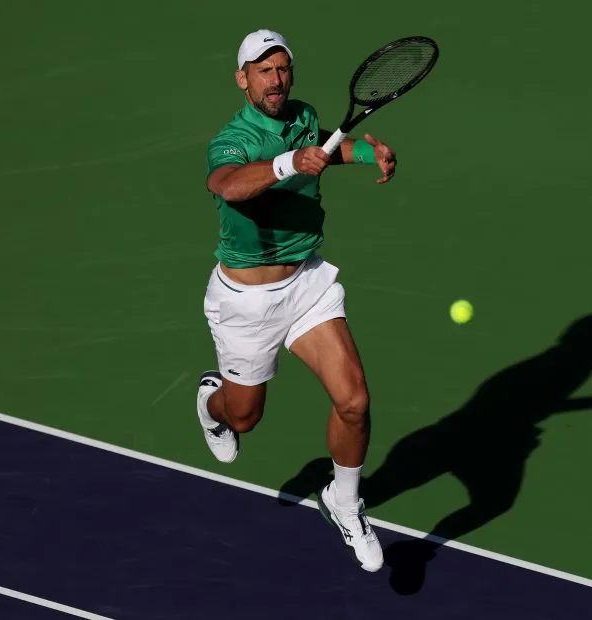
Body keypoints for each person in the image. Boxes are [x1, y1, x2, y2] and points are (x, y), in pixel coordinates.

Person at [194, 29, 394, 573]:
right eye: (263, 71)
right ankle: (212, 405)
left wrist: (362, 151)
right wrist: (288, 166)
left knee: (354, 400)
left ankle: (344, 501)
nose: (275, 79)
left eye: (282, 69)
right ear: (242, 79)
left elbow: (325, 145)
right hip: (246, 302)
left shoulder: (302, 116)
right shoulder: (233, 137)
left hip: (306, 286)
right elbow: (227, 184)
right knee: (245, 416)